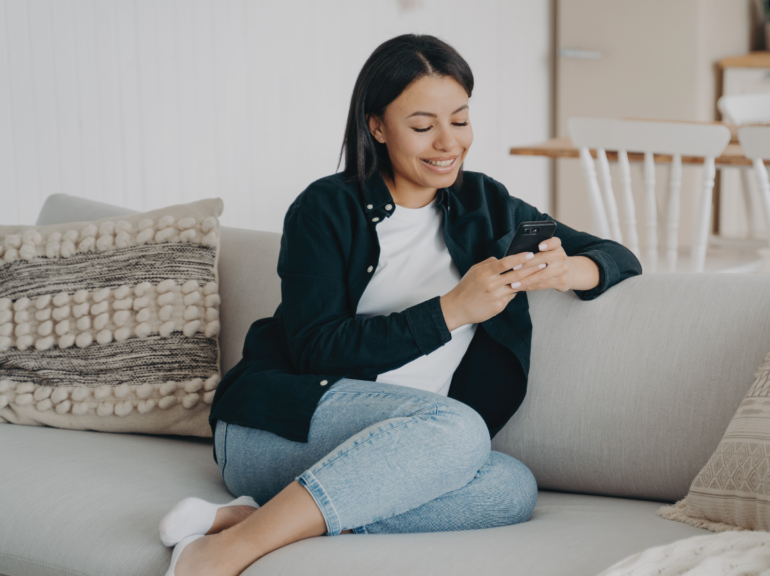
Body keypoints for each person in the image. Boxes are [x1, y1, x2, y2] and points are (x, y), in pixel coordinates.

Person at [161, 33, 641, 576]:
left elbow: (616, 255)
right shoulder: (324, 209)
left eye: (459, 121)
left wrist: (571, 270)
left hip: (406, 449)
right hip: (277, 428)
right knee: (460, 430)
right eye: (422, 126)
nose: (447, 143)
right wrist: (452, 310)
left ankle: (255, 521)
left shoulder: (486, 204)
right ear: (377, 126)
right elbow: (315, 349)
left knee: (511, 488)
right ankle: (224, 553)